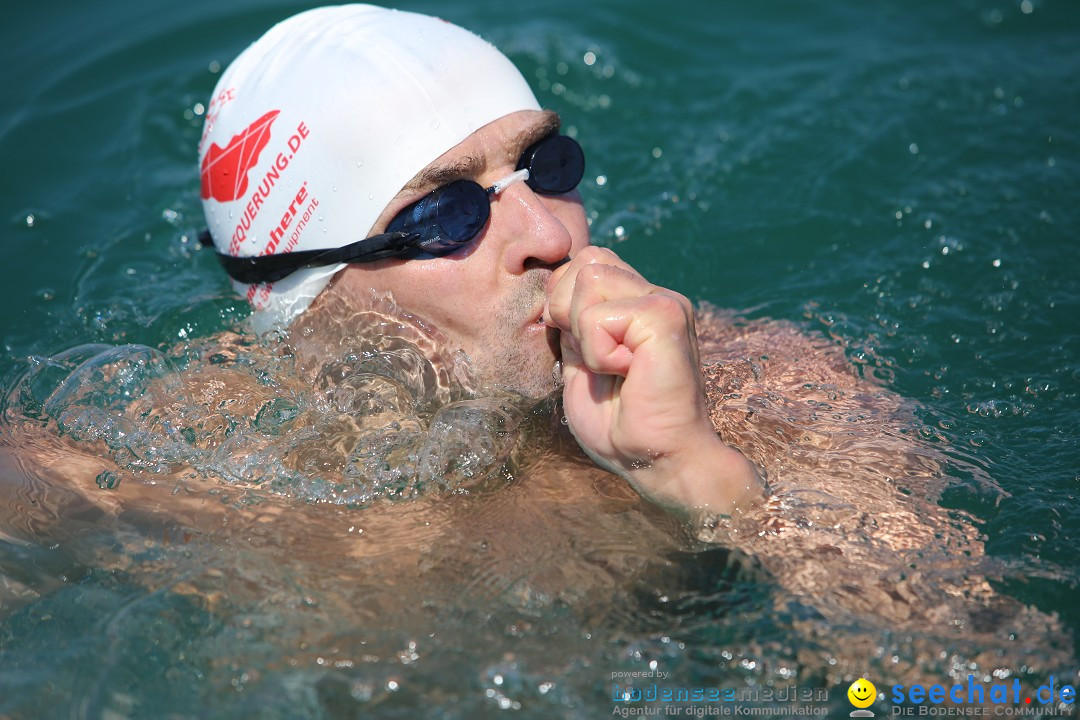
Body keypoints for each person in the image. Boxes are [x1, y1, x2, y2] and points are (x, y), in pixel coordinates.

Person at [196, 4, 762, 522]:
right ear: (308, 297)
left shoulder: (727, 386)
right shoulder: (195, 498)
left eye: (543, 166)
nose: (549, 234)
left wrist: (684, 467)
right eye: (446, 214)